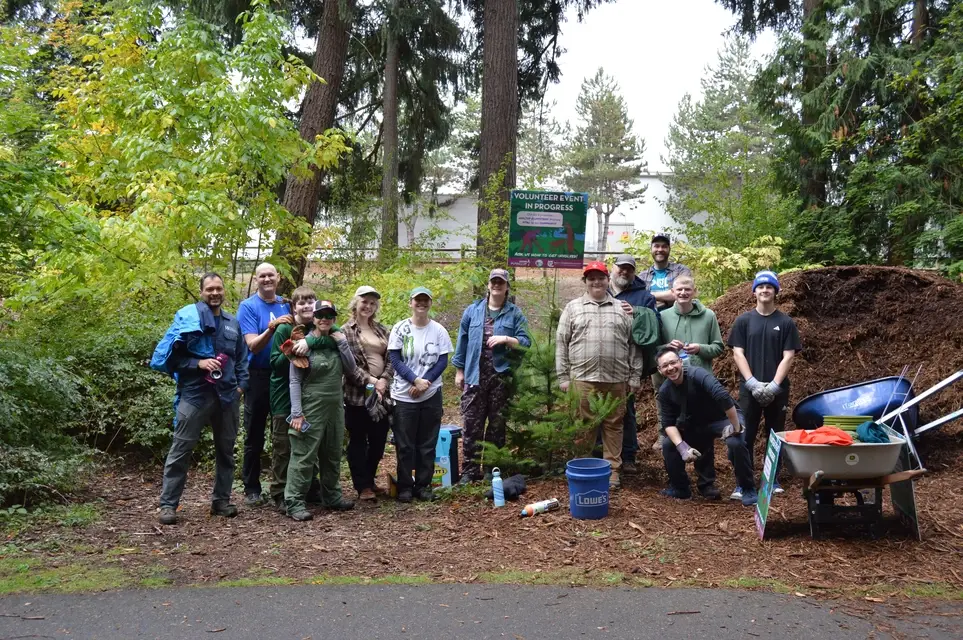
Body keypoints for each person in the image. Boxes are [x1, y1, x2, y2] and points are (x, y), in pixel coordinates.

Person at [151, 273, 249, 526]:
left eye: (218, 288)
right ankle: (168, 505)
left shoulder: (232, 323)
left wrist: (241, 388)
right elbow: (171, 359)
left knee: (226, 452)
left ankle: (221, 502)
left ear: (224, 291)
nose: (215, 293)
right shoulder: (188, 321)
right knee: (180, 450)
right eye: (209, 289)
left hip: (227, 398)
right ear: (201, 292)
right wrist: (198, 363)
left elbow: (241, 359)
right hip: (194, 396)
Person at [556, 261, 642, 491]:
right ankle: (583, 468)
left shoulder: (622, 309)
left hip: (616, 378)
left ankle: (612, 472)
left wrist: (634, 377)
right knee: (583, 425)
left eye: (601, 277)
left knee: (614, 425)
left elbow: (634, 345)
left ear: (608, 280)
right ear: (585, 281)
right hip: (582, 378)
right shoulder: (572, 308)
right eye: (591, 278)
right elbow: (561, 343)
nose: (597, 282)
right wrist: (563, 376)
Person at [726, 270, 802, 499]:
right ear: (754, 292)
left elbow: (788, 356)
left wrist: (774, 386)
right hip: (749, 390)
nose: (765, 290)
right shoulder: (744, 321)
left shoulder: (786, 322)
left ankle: (772, 479)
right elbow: (737, 353)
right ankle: (743, 483)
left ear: (776, 291)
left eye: (769, 287)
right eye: (760, 287)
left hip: (777, 390)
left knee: (774, 434)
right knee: (744, 434)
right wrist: (752, 383)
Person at [452, 268, 532, 483]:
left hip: (501, 377)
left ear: (507, 287)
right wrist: (459, 371)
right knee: (471, 424)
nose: (497, 285)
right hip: (474, 375)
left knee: (497, 426)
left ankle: (491, 469)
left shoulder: (514, 313)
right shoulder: (472, 311)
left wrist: (506, 338)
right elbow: (463, 341)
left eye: (501, 282)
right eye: (493, 282)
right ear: (488, 285)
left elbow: (526, 342)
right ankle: (469, 470)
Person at [287, 300, 362, 521]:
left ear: (334, 318)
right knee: (304, 455)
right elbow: (294, 381)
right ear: (314, 318)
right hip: (311, 406)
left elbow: (351, 370)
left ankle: (332, 496)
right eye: (320, 315)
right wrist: (297, 412)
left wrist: (343, 343)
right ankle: (294, 502)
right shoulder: (302, 345)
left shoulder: (337, 342)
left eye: (329, 315)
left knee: (332, 453)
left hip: (335, 406)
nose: (324, 319)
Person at [654, 348, 757, 506]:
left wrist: (736, 427)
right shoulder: (665, 391)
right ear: (660, 370)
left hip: (724, 417)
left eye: (673, 362)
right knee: (669, 444)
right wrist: (682, 448)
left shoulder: (698, 375)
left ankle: (747, 487)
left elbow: (723, 397)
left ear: (681, 362)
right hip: (695, 422)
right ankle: (682, 488)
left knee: (735, 442)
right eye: (665, 366)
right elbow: (668, 423)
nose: (670, 368)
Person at [267, 285, 334, 512]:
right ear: (293, 306)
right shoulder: (284, 328)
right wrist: (292, 351)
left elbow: (333, 342)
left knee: (307, 441)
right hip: (284, 397)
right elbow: (274, 364)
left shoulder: (318, 328)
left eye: (310, 301)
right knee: (284, 445)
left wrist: (310, 343)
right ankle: (279, 493)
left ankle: (309, 486)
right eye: (301, 302)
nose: (306, 305)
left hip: (310, 397)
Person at [388, 286, 453, 503]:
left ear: (430, 303)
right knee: (405, 444)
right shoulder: (399, 329)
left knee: (427, 443)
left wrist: (426, 383)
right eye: (418, 300)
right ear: (411, 302)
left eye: (425, 300)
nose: (421, 304)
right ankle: (405, 486)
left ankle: (424, 486)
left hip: (431, 393)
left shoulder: (439, 331)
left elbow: (443, 360)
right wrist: (414, 380)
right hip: (404, 395)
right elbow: (395, 359)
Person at [237, 263, 293, 506]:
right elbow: (252, 345)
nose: (267, 279)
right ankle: (251, 487)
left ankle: (284, 485)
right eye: (262, 276)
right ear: (256, 279)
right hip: (258, 375)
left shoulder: (286, 303)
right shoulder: (248, 307)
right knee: (255, 433)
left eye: (271, 274)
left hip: (284, 373)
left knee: (283, 432)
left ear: (278, 277)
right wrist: (273, 328)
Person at [608, 254, 660, 475]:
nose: (624, 272)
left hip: (628, 362)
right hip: (600, 360)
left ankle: (628, 455)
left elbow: (656, 324)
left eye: (629, 269)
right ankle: (598, 453)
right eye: (621, 268)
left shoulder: (643, 296)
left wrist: (637, 312)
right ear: (613, 268)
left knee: (626, 410)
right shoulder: (600, 288)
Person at [341, 285, 394, 501]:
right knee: (358, 440)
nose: (368, 306)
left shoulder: (382, 330)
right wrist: (372, 381)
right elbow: (349, 366)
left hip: (381, 395)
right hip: (357, 394)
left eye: (373, 303)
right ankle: (362, 486)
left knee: (379, 438)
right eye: (365, 302)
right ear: (356, 302)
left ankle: (370, 479)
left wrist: (383, 380)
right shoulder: (345, 331)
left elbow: (393, 359)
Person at [640, 232, 693, 312]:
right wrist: (668, 300)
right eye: (656, 246)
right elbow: (639, 299)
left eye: (664, 246)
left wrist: (649, 295)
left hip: (676, 320)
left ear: (669, 249)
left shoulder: (681, 270)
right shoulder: (642, 276)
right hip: (650, 321)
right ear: (651, 249)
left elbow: (681, 294)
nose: (660, 249)